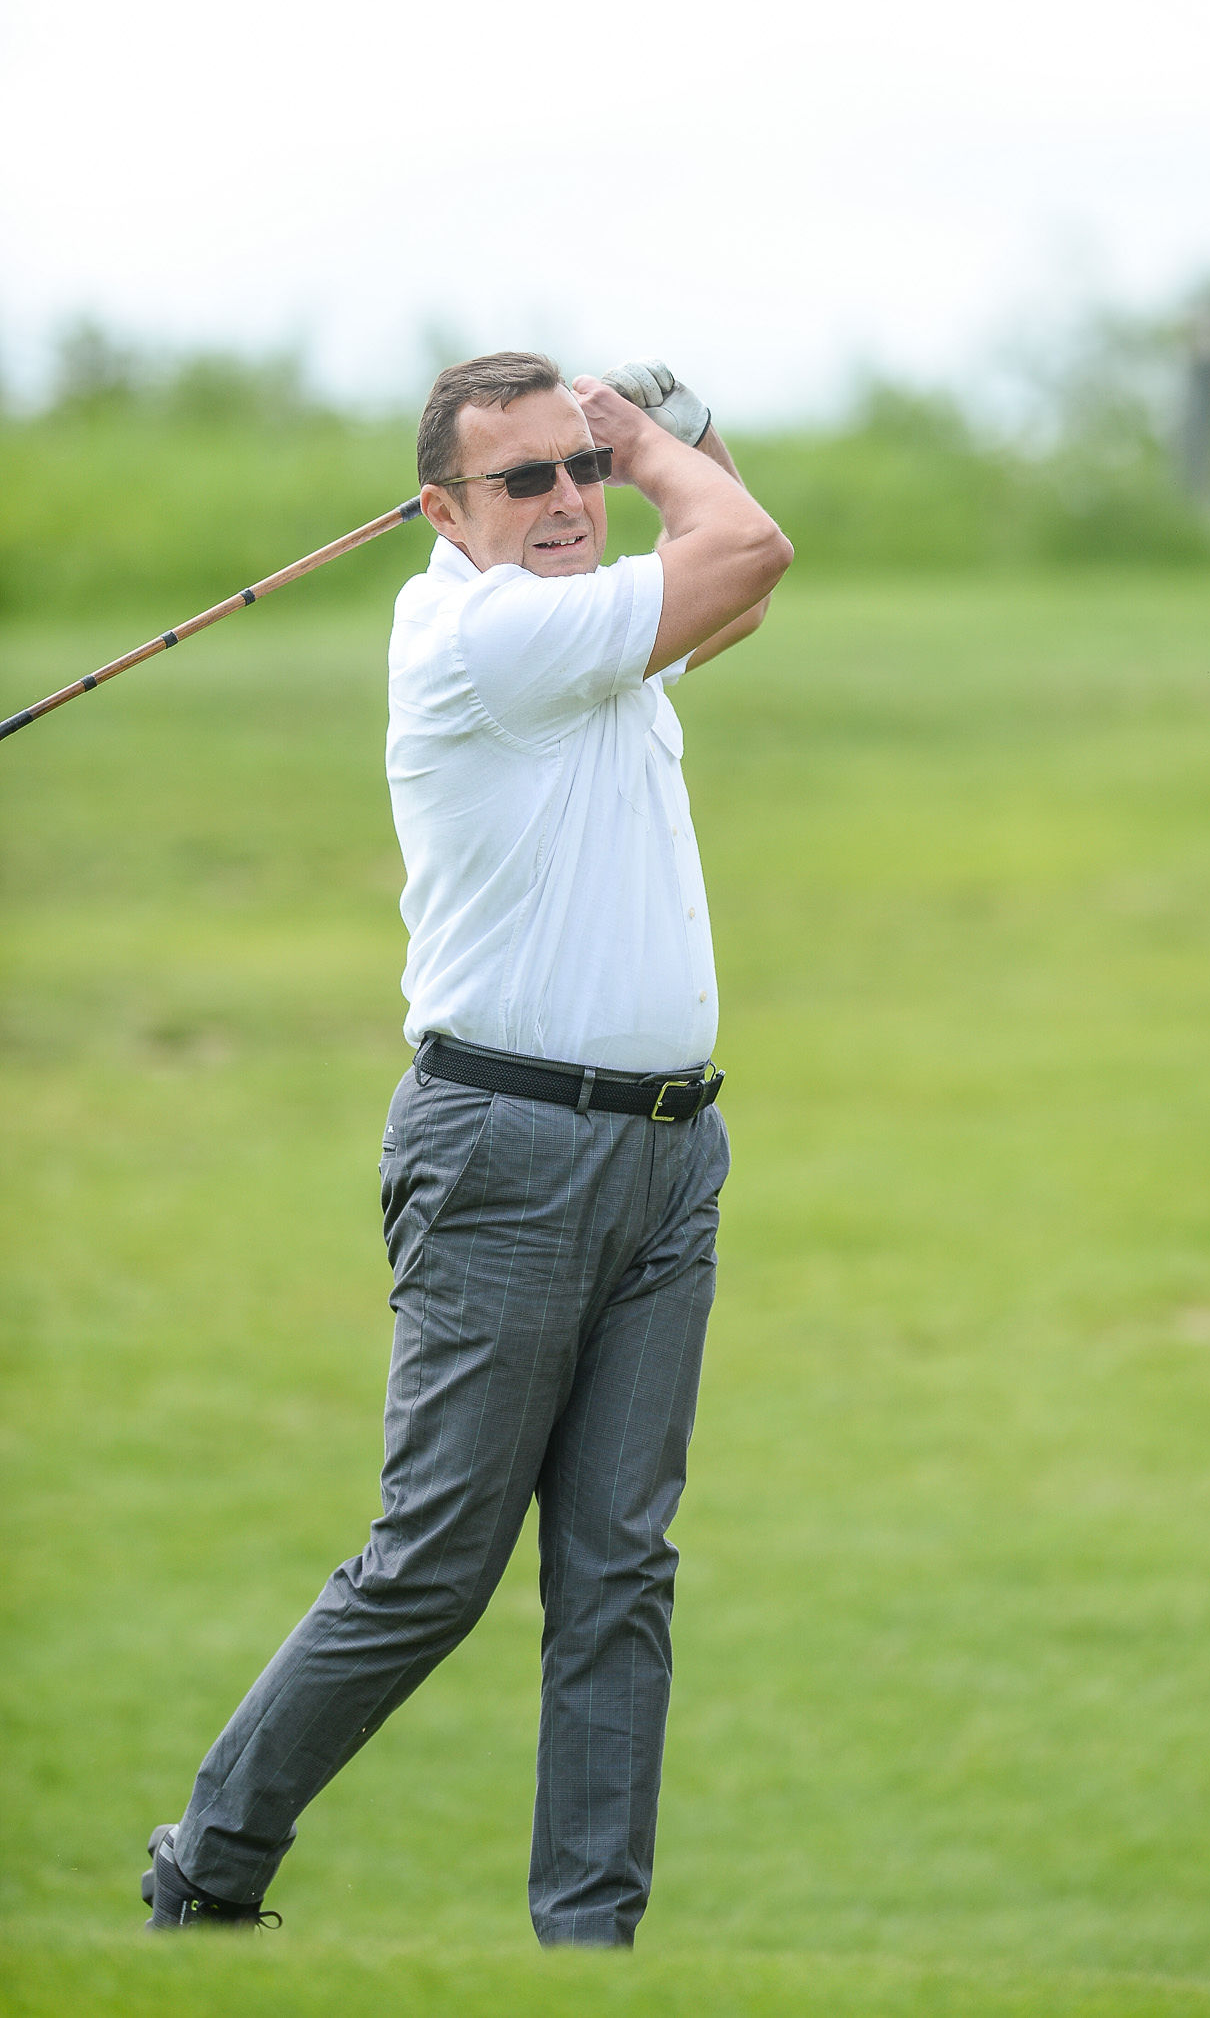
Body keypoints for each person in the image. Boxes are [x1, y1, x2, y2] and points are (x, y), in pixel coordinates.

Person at [141, 351, 793, 1947]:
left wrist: (676, 433)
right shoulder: (485, 639)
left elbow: (737, 585)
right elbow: (745, 548)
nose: (570, 499)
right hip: (508, 1153)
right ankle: (207, 1870)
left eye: (582, 469)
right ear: (440, 511)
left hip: (665, 1158)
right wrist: (647, 438)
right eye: (529, 478)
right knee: (434, 1564)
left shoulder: (581, 629)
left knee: (619, 1574)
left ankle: (589, 1954)